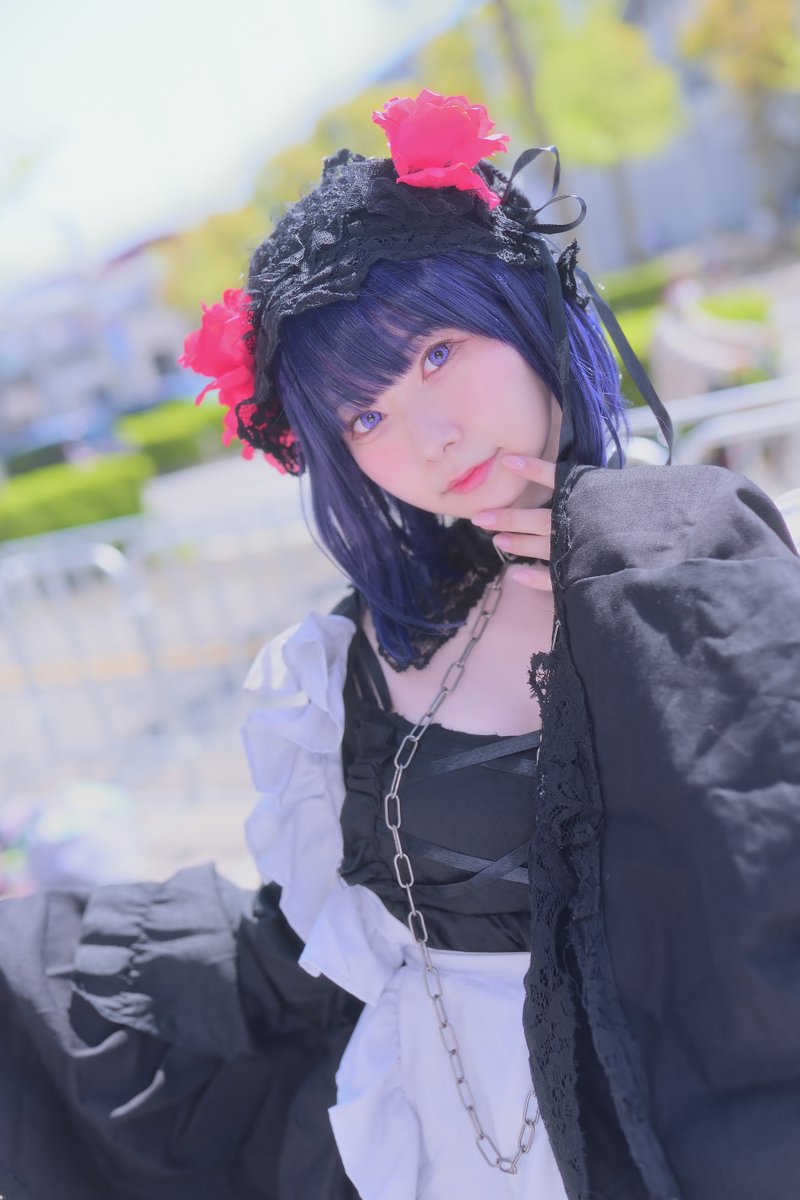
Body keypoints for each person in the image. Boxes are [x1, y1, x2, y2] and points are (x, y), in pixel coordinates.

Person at [1, 90, 799, 1200]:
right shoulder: (364, 644)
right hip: (429, 1134)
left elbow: (758, 890)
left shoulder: (695, 555)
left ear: (521, 306)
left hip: (642, 1138)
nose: (426, 436)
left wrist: (625, 546)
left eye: (436, 351)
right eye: (363, 417)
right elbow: (321, 948)